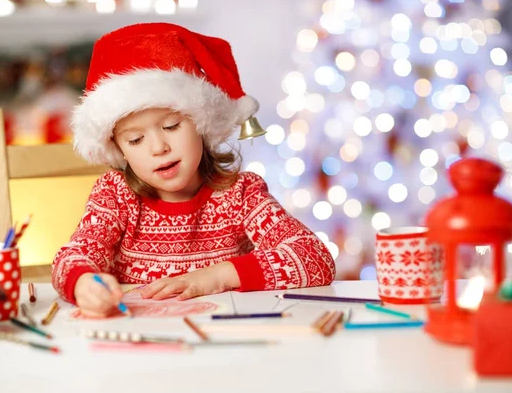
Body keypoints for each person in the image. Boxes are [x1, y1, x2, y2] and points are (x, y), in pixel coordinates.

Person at [52, 22, 335, 317]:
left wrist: (217, 276)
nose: (158, 147)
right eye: (136, 139)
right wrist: (84, 283)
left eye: (172, 126)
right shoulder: (115, 195)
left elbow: (315, 258)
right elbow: (74, 256)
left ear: (202, 123)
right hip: (139, 343)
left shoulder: (240, 194)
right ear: (118, 148)